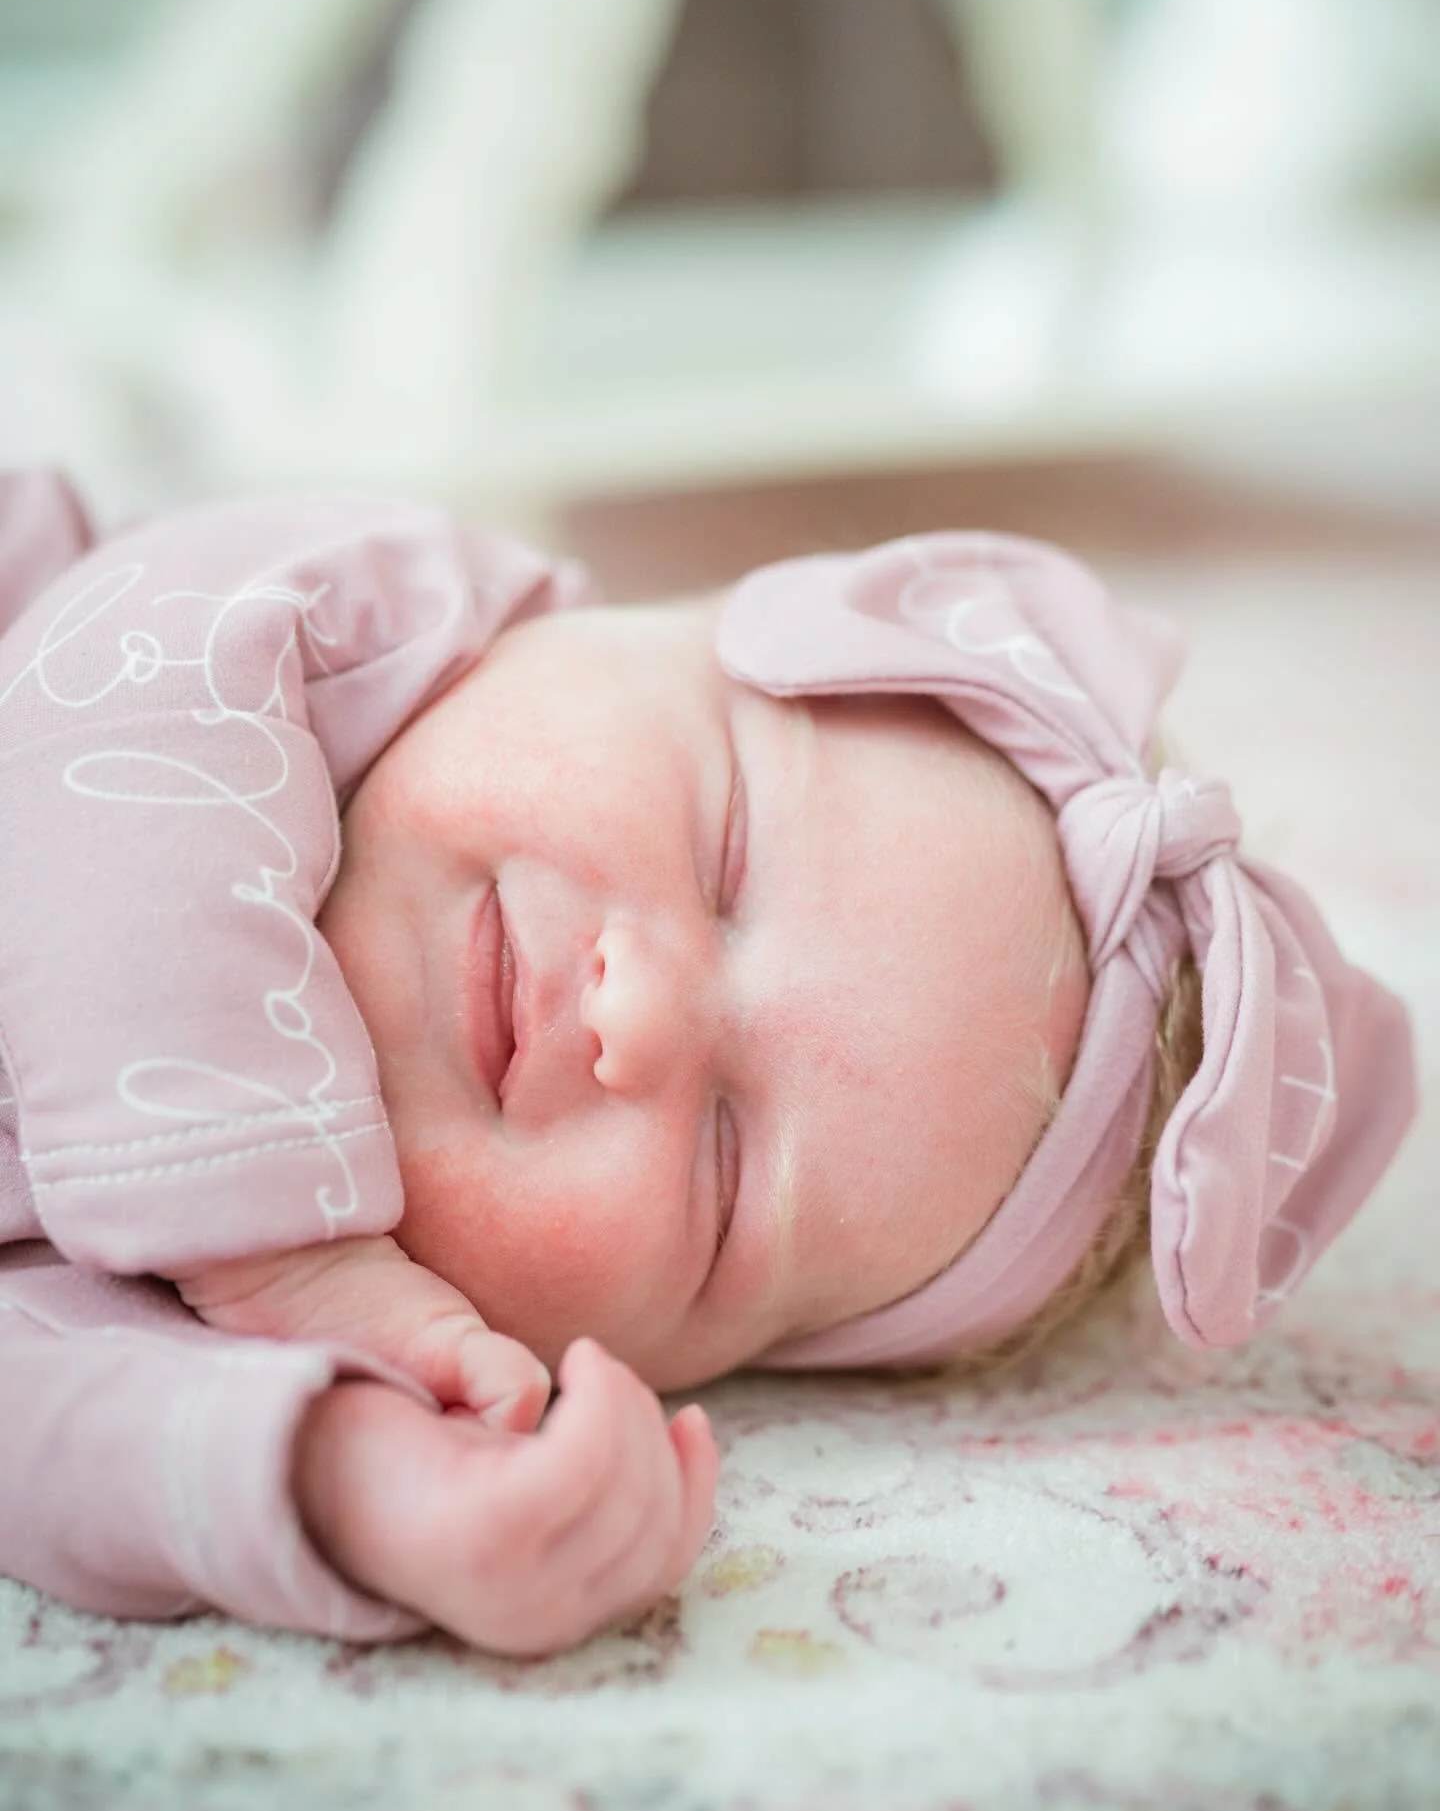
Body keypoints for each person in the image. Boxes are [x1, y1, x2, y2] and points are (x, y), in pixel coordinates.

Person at [0, 472, 1415, 1657]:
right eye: (723, 854)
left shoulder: (342, 1305)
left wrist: (357, 1482)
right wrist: (286, 1258)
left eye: (725, 1172)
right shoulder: (341, 611)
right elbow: (100, 739)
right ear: (617, 631)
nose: (646, 1016)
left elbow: (44, 1430)